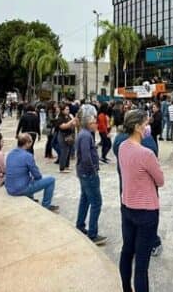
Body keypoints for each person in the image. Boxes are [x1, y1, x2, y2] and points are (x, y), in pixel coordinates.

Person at [118, 109, 164, 292]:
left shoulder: (122, 147)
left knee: (127, 251)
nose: (147, 128)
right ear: (137, 127)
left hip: (127, 206)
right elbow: (160, 180)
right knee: (142, 263)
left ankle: (126, 288)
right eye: (145, 124)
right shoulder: (147, 154)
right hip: (146, 211)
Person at [74, 104, 106, 245]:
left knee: (85, 199)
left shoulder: (83, 134)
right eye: (94, 122)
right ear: (88, 123)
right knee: (96, 202)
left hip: (83, 173)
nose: (96, 124)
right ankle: (92, 234)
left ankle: (80, 225)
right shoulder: (86, 136)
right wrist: (93, 171)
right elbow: (86, 157)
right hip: (88, 174)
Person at [5, 133, 59, 211]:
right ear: (27, 143)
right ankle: (46, 206)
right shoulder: (28, 156)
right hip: (20, 189)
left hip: (9, 188)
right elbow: (37, 175)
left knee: (28, 177)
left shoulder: (10, 154)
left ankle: (30, 198)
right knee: (51, 180)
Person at [57, 104, 76, 172]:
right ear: (62, 110)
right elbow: (63, 126)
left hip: (69, 135)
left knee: (68, 151)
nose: (68, 111)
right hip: (63, 135)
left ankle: (67, 166)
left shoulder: (69, 116)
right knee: (64, 151)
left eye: (68, 109)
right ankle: (62, 168)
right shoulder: (60, 118)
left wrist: (73, 121)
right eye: (66, 109)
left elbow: (74, 124)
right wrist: (72, 121)